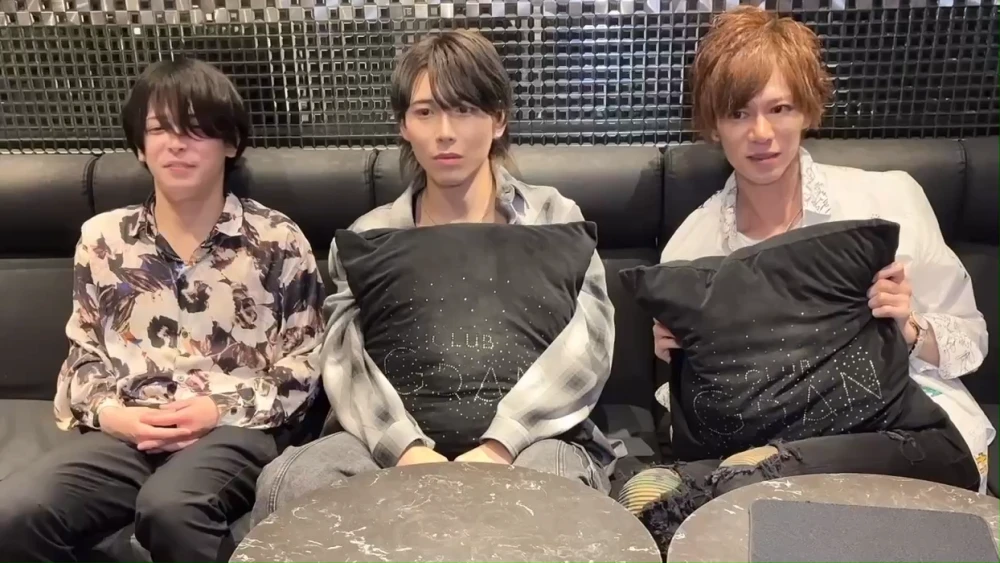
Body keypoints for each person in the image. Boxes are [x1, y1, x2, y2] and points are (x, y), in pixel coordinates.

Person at [618, 6, 992, 553]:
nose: (761, 133)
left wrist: (908, 327)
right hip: (772, 441)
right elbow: (699, 416)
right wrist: (677, 362)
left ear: (808, 110)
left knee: (742, 496)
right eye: (739, 113)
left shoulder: (887, 200)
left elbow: (972, 342)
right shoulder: (693, 248)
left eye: (780, 108)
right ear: (714, 125)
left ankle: (738, 482)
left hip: (905, 437)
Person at [251, 29, 623, 523]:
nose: (445, 132)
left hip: (533, 439)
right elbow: (344, 356)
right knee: (289, 482)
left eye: (464, 109)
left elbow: (589, 342)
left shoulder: (554, 217)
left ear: (498, 119)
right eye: (425, 112)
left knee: (550, 492)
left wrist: (501, 443)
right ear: (404, 125)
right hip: (392, 441)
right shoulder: (370, 235)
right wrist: (406, 450)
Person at [0, 59, 326, 562]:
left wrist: (217, 409)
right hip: (131, 429)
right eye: (158, 129)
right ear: (139, 146)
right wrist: (114, 416)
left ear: (230, 143)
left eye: (196, 129)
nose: (176, 144)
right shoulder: (103, 240)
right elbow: (84, 358)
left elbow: (307, 363)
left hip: (234, 428)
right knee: (15, 511)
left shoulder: (276, 239)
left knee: (171, 507)